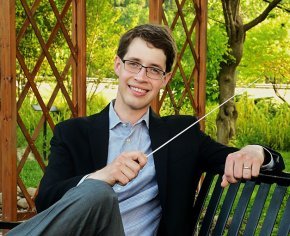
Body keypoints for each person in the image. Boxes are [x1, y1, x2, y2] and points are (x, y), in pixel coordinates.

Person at [8, 24, 284, 236]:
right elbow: (46, 203)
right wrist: (101, 176)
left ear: (165, 79)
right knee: (98, 191)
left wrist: (256, 151)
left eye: (153, 70)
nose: (141, 77)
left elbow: (250, 159)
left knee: (97, 192)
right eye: (134, 64)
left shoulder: (181, 134)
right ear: (118, 65)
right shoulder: (73, 133)